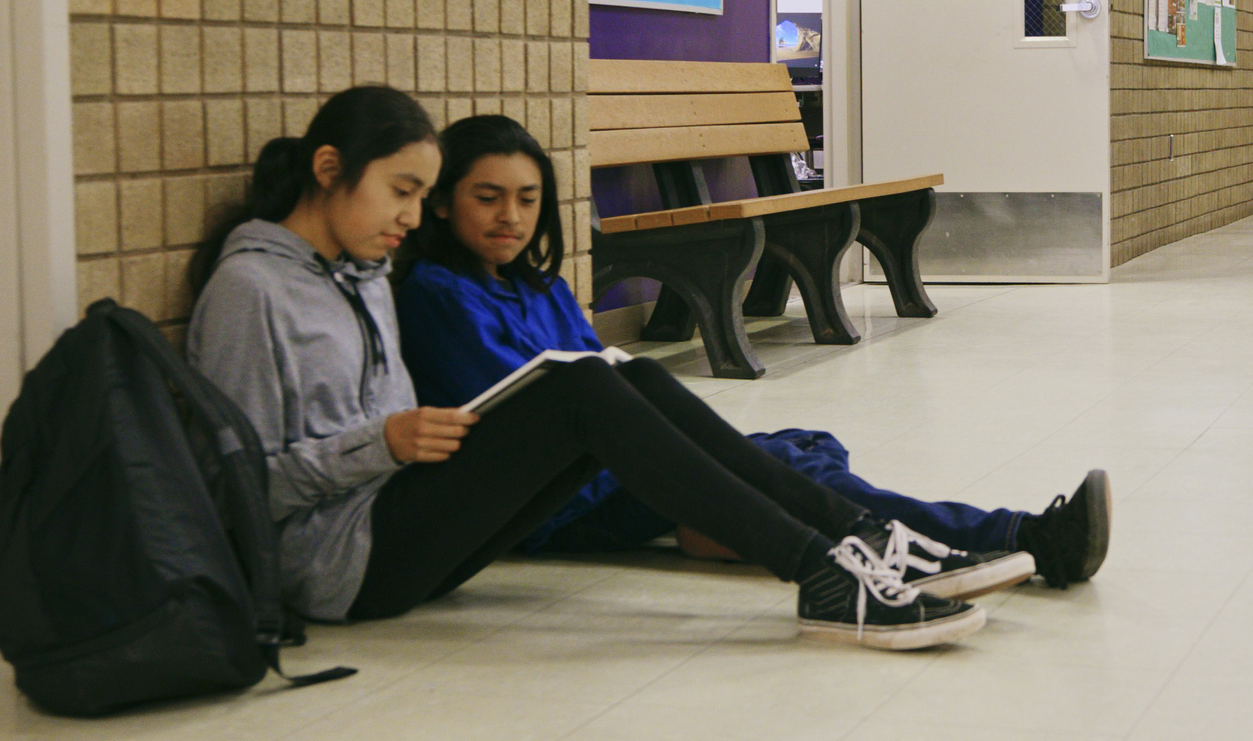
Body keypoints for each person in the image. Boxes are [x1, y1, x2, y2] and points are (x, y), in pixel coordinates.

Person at [184, 86, 987, 651]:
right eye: (401, 191)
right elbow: (237, 493)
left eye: (420, 195)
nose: (408, 216)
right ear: (329, 170)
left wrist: (398, 447)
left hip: (405, 526)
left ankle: (858, 540)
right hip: (336, 572)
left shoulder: (359, 275)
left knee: (620, 375)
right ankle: (822, 573)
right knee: (579, 388)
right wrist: (383, 444)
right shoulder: (249, 290)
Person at [392, 114, 1112, 590]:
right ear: (444, 202)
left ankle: (724, 527)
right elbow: (534, 421)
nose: (510, 217)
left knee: (805, 445)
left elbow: (610, 380)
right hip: (566, 504)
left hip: (624, 470)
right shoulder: (435, 293)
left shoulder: (538, 287)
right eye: (487, 198)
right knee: (786, 463)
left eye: (525, 198)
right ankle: (1015, 539)